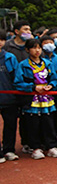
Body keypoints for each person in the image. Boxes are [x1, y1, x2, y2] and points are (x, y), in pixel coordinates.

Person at [13, 39, 57, 159]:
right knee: (33, 124)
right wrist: (33, 87)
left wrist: (51, 85)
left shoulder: (47, 63)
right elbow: (18, 83)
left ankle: (51, 147)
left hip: (47, 99)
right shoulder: (23, 65)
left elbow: (55, 78)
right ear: (27, 50)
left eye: (39, 48)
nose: (37, 50)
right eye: (34, 48)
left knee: (49, 123)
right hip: (32, 100)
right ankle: (35, 148)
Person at [0, 32, 20, 162]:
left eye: (1, 40)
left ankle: (8, 150)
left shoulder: (9, 58)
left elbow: (16, 78)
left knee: (10, 125)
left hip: (9, 99)